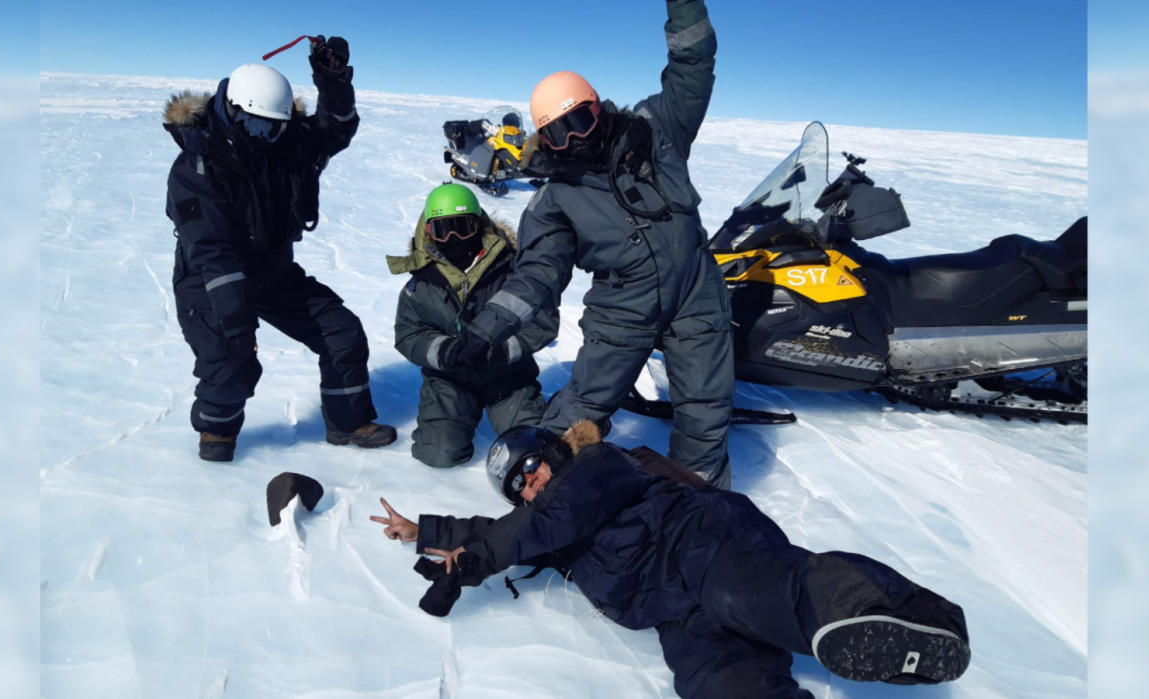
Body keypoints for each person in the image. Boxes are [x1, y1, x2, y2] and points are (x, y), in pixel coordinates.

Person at [370, 423, 971, 698]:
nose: (531, 483)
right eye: (518, 485)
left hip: (701, 545)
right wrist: (426, 530)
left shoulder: (598, 466)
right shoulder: (542, 522)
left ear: (554, 451)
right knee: (715, 682)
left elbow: (528, 527)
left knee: (764, 593)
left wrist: (473, 561)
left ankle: (905, 616)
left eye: (533, 465)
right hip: (673, 610)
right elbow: (507, 530)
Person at [436, 0, 735, 488]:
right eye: (556, 132)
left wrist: (683, 6)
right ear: (543, 141)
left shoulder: (654, 131)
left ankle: (698, 505)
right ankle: (547, 489)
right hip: (623, 306)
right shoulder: (554, 201)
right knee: (584, 406)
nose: (574, 138)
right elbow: (536, 276)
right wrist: (483, 331)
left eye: (580, 120)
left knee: (705, 408)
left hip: (697, 294)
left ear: (599, 108)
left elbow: (693, 65)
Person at [162, 38, 396, 462]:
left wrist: (334, 79)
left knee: (341, 331)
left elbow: (337, 126)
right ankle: (216, 434)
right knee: (233, 363)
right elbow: (212, 251)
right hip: (209, 278)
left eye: (273, 127)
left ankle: (347, 423)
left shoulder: (286, 143)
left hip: (272, 271)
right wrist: (239, 326)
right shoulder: (196, 168)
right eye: (254, 126)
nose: (263, 137)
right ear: (231, 112)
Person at [386, 183, 559, 467]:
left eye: (463, 226)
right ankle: (458, 414)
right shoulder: (421, 282)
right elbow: (407, 333)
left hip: (507, 375)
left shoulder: (512, 270)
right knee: (438, 455)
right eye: (444, 229)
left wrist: (501, 352)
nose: (454, 238)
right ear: (429, 232)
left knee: (532, 449)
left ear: (479, 224)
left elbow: (543, 322)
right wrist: (444, 352)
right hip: (450, 378)